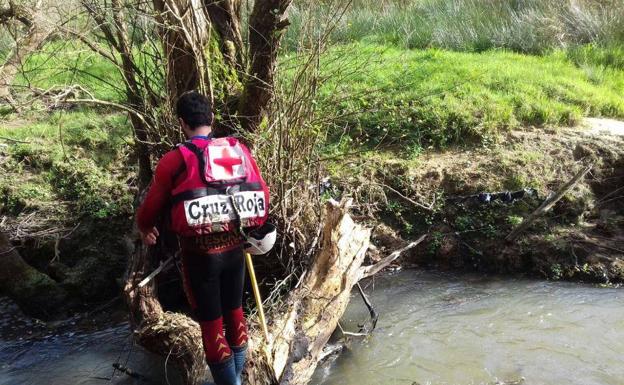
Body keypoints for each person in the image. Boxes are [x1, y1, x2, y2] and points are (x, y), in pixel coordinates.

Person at [136, 91, 270, 385]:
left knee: (212, 327)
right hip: (236, 250)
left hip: (200, 257)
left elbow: (150, 210)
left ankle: (230, 382)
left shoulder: (174, 160)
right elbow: (263, 193)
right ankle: (235, 379)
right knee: (235, 314)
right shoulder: (238, 151)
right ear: (211, 119)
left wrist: (145, 228)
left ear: (182, 123)